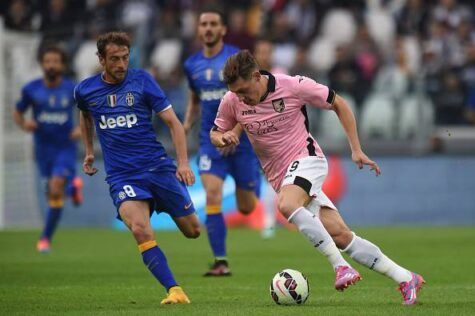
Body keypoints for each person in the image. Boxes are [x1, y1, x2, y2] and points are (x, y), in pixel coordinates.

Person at [210, 50, 425, 305]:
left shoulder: (292, 86)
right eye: (237, 93)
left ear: (257, 76)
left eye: (245, 90)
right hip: (281, 177)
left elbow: (338, 103)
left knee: (287, 205)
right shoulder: (232, 101)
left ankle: (340, 267)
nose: (242, 97)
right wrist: (223, 138)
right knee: (342, 236)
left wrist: (356, 149)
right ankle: (405, 277)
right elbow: (216, 131)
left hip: (307, 159)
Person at [75, 32, 200, 304]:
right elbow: (85, 116)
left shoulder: (142, 81)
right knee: (140, 229)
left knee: (193, 231)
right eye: (114, 59)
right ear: (101, 60)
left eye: (125, 58)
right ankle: (174, 290)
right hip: (123, 177)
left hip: (157, 168)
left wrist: (182, 163)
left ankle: (162, 201)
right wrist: (88, 152)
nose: (121, 64)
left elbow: (174, 124)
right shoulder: (85, 90)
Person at [183, 9, 261, 276]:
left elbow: (249, 99)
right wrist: (186, 124)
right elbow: (195, 97)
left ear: (223, 29)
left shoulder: (236, 58)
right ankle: (220, 261)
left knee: (247, 207)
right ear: (198, 29)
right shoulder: (191, 64)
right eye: (203, 24)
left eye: (213, 24)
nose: (208, 28)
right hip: (210, 140)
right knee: (213, 194)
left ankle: (255, 178)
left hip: (242, 143)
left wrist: (236, 133)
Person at [13, 45, 83, 253]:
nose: (52, 65)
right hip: (43, 149)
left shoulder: (72, 88)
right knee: (54, 197)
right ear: (42, 64)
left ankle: (43, 237)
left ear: (62, 64)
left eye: (56, 61)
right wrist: (24, 124)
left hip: (65, 147)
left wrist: (81, 128)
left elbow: (89, 111)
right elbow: (18, 112)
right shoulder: (31, 89)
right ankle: (47, 238)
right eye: (48, 61)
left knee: (55, 186)